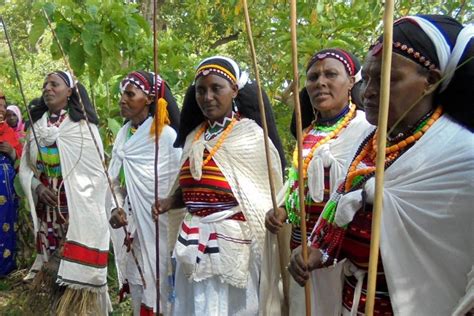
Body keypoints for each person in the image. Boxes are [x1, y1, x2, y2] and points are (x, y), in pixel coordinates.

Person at [288, 14, 474, 315]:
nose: (369, 91)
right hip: (353, 301)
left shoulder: (461, 155)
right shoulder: (372, 143)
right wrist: (320, 251)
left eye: (387, 78)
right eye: (370, 77)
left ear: (431, 80)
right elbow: (341, 206)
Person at [152, 56, 285, 315]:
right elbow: (189, 187)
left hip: (234, 244)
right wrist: (170, 201)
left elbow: (264, 196)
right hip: (192, 239)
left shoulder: (250, 135)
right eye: (201, 90)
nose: (207, 96)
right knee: (193, 307)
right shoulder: (194, 136)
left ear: (234, 90)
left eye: (216, 88)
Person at [264, 48, 372, 315]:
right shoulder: (306, 134)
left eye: (330, 74)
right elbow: (295, 186)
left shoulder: (367, 130)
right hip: (301, 252)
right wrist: (282, 211)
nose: (320, 82)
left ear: (351, 82)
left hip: (342, 251)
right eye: (313, 77)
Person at [19, 71, 111, 315]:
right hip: (46, 211)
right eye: (45, 84)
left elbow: (96, 175)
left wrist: (79, 202)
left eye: (54, 84)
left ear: (69, 91)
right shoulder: (37, 127)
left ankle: (77, 310)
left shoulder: (83, 128)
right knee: (52, 266)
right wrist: (38, 187)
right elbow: (26, 167)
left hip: (74, 213)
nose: (47, 88)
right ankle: (55, 308)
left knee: (72, 268)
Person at [107, 71, 182, 316]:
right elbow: (114, 183)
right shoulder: (122, 135)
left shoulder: (167, 137)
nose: (122, 99)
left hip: (160, 228)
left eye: (130, 94)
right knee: (139, 284)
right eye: (122, 94)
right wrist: (115, 208)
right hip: (133, 226)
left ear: (149, 98)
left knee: (164, 287)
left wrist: (166, 205)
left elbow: (179, 188)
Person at [0, 91, 22, 277]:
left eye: (3, 107)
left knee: (6, 222)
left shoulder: (9, 132)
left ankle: (6, 266)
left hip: (7, 191)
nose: (1, 111)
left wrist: (12, 153)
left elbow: (22, 161)